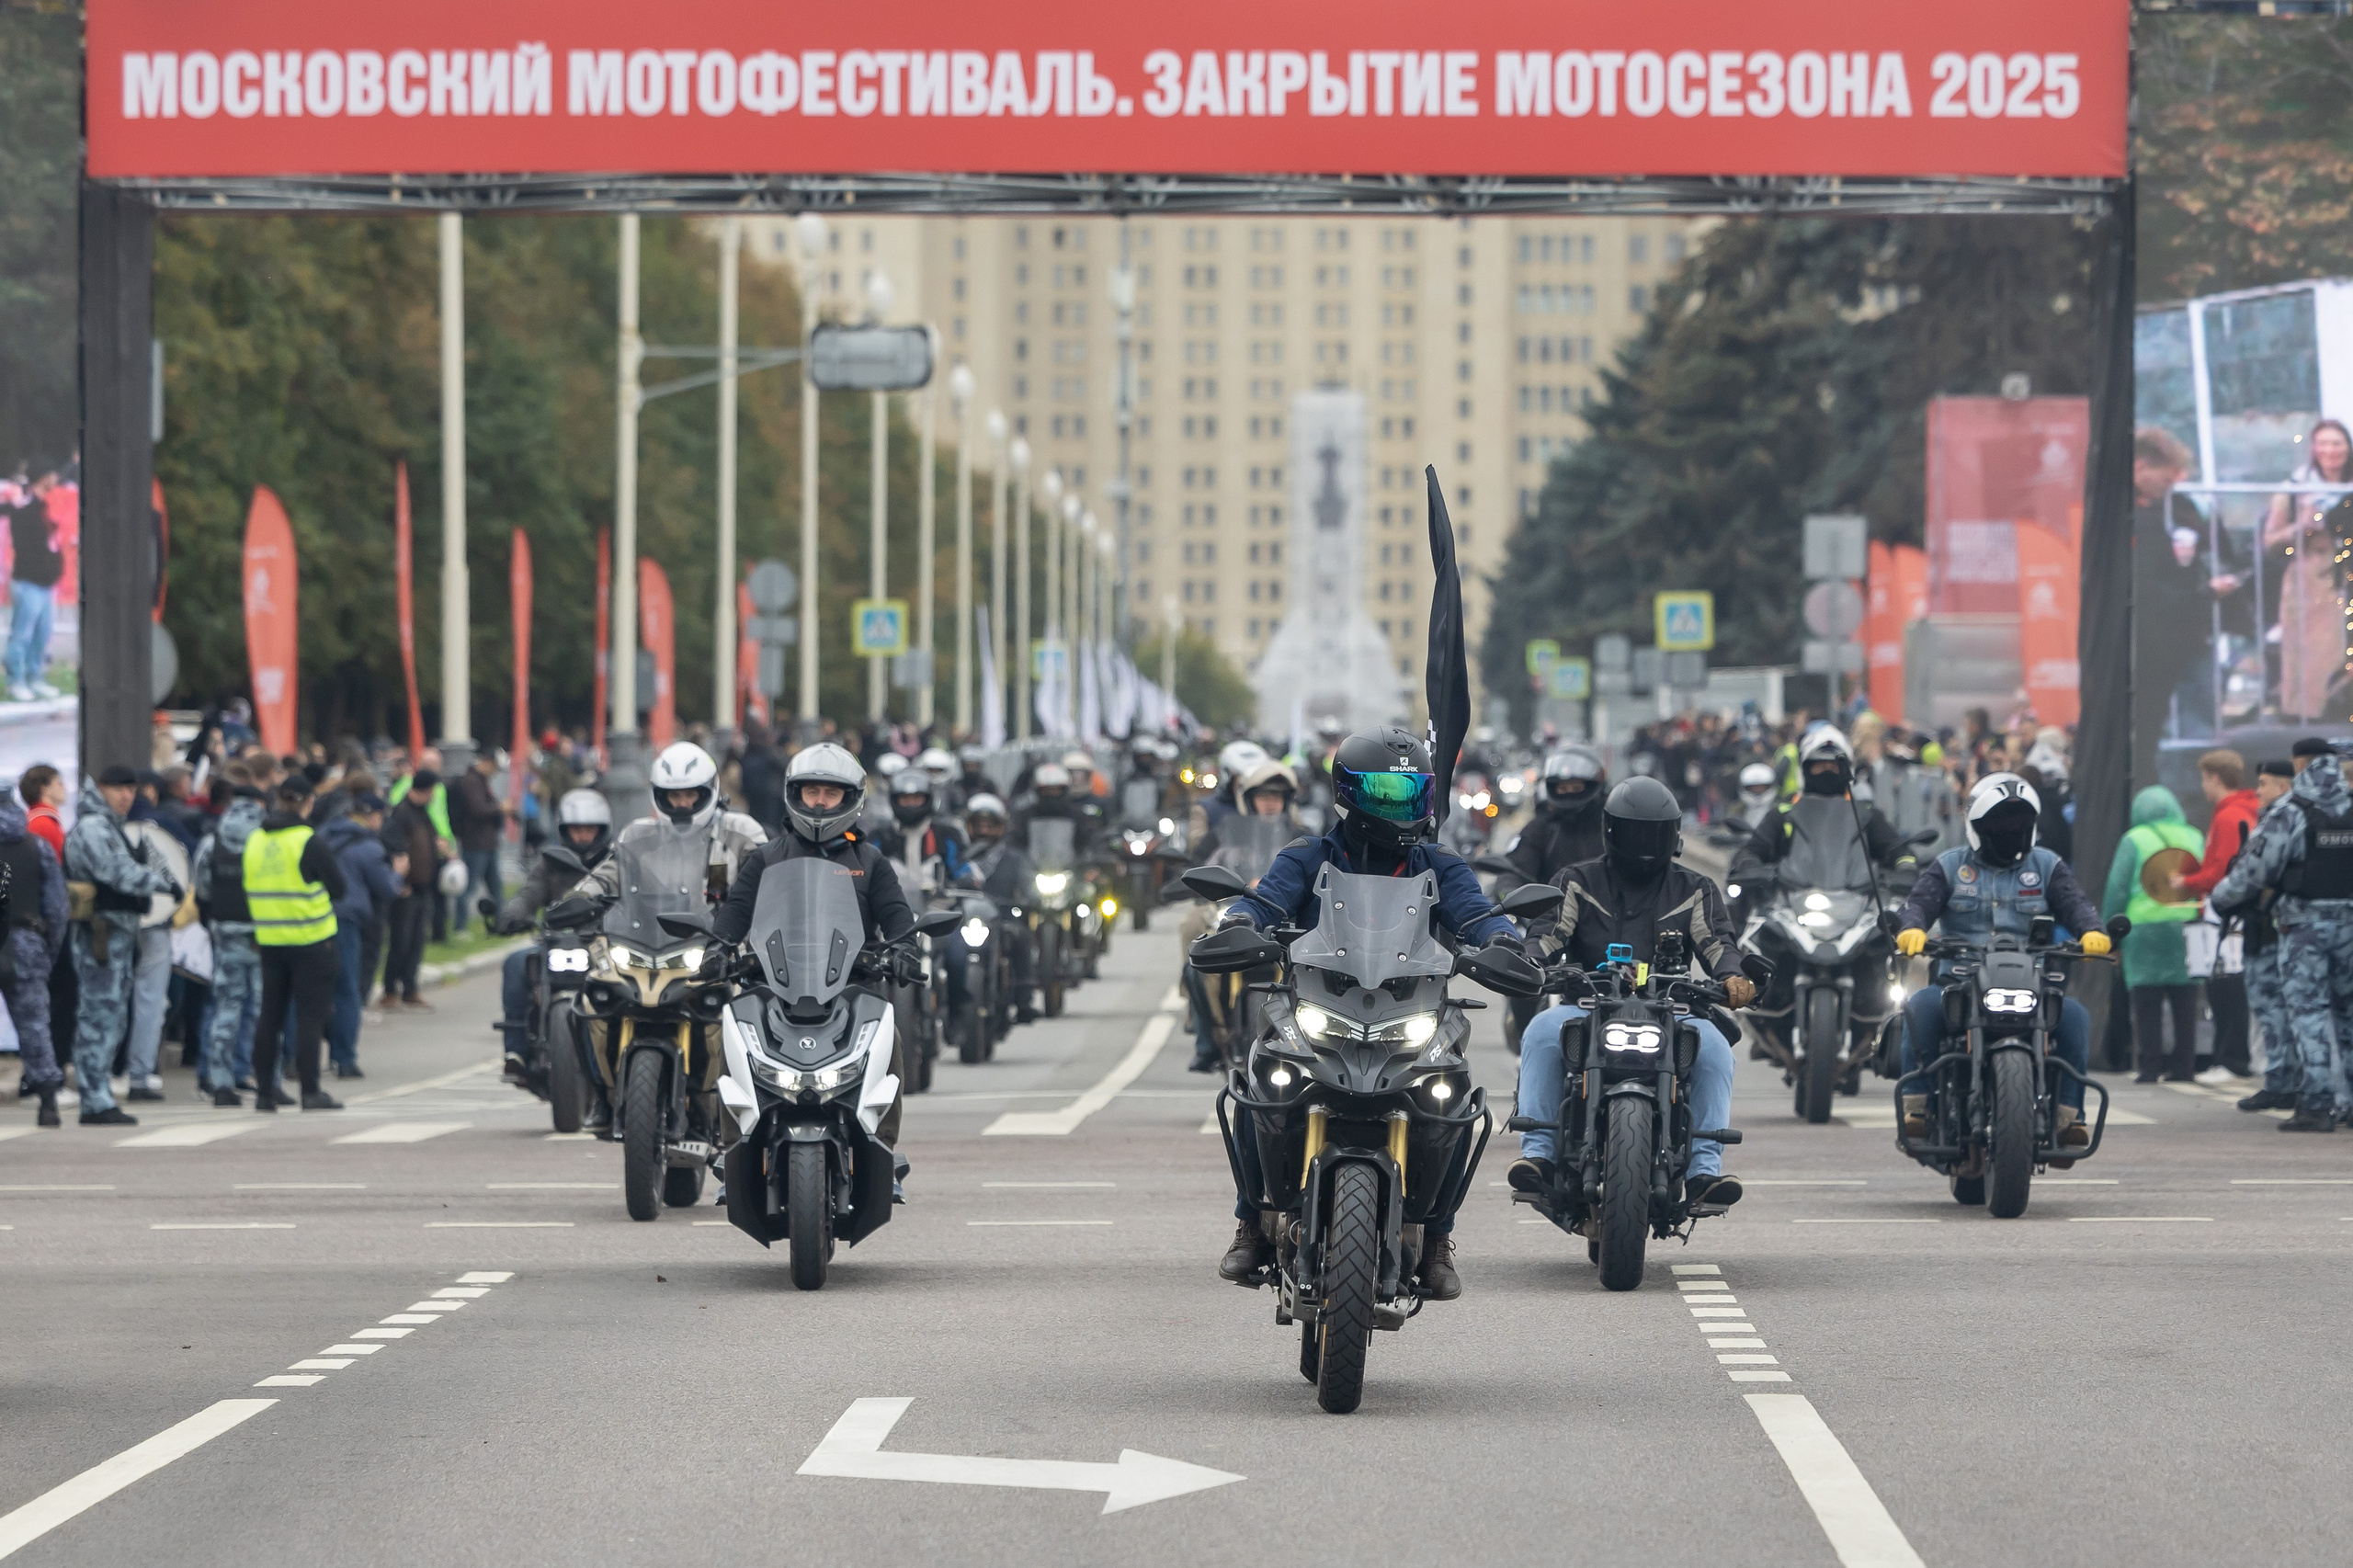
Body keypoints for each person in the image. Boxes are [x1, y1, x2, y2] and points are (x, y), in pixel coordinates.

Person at [1213, 727, 1522, 1301]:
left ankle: (1435, 1238)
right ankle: (1252, 1222)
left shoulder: (1440, 865)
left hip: (1414, 1010)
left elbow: (1476, 915)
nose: (1397, 803)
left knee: (1453, 1094)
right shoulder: (1307, 856)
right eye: (1383, 790)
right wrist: (1238, 923)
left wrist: (1504, 939)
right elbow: (1265, 901)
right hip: (1317, 1003)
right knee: (1261, 1080)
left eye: (1410, 791)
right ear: (1348, 792)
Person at [1507, 777, 1757, 1209]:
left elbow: (1719, 944)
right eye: (1634, 831)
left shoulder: (1696, 889)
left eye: (1656, 832)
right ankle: (1539, 1158)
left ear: (1674, 834)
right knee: (1541, 1033)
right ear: (1610, 830)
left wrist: (1733, 976)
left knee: (1716, 1048)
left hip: (1675, 1007)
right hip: (1587, 1004)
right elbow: (1548, 934)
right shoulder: (1576, 881)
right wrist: (1530, 961)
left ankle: (1703, 1171)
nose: (1645, 842)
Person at [703, 744, 915, 1186]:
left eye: (830, 793)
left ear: (850, 798)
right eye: (812, 791)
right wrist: (717, 950)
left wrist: (905, 950)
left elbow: (898, 919)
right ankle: (733, 1147)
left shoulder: (870, 862)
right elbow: (734, 915)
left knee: (888, 1032)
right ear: (794, 795)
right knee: (729, 1030)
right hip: (772, 985)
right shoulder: (764, 858)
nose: (820, 801)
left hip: (851, 986)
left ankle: (883, 1146)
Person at [1892, 774, 2108, 1157]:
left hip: (2030, 981)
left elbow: (2075, 903)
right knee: (1919, 1007)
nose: (2008, 831)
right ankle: (1917, 1108)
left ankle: (2068, 1118)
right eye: (1998, 824)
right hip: (1958, 982)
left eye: (2016, 824)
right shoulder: (1949, 865)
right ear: (1975, 825)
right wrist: (1912, 928)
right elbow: (1920, 903)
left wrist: (2092, 930)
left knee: (2074, 1018)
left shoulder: (2047, 865)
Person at [2209, 738, 2353, 1131]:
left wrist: (2220, 899)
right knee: (2348, 1014)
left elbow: (2255, 870)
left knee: (2308, 1013)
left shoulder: (2292, 811)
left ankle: (2316, 1104)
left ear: (2300, 764)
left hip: (2303, 927)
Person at [63, 766, 179, 1125]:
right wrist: (161, 883)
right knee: (99, 1017)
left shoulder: (107, 826)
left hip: (116, 934)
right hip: (102, 934)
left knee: (110, 1016)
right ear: (100, 789)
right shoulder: (95, 828)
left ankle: (98, 1096)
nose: (125, 795)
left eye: (130, 789)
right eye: (116, 788)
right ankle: (94, 1098)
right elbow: (114, 872)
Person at [243, 775, 348, 1112]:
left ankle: (263, 1093)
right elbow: (339, 887)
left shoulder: (255, 840)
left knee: (268, 1017)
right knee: (309, 1018)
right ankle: (310, 1092)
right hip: (311, 939)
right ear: (308, 803)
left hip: (270, 940)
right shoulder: (307, 841)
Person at [494, 789, 611, 1077]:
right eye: (576, 829)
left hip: (603, 946)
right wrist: (512, 915)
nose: (583, 835)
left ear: (602, 830)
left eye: (589, 829)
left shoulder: (615, 863)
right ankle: (516, 1051)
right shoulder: (550, 864)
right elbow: (528, 893)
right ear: (564, 831)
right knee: (516, 963)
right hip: (556, 943)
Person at [2102, 784, 2208, 1083]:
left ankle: (2150, 1066)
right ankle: (2184, 1066)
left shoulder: (2134, 839)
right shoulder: (2194, 835)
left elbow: (2118, 888)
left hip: (2143, 929)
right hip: (2186, 925)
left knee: (2145, 1001)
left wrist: (2111, 933)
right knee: (2185, 998)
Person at [2175, 750, 2261, 1081]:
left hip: (2224, 912)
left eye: (2203, 778)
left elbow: (2223, 871)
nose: (2203, 786)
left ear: (2214, 778)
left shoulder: (2228, 817)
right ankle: (2236, 1057)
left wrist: (2187, 882)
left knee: (2225, 984)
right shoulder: (2245, 811)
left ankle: (2230, 1059)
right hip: (2236, 911)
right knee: (2232, 983)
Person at [2260, 420, 2353, 721]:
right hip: (2314, 583)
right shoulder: (2294, 488)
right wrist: (2302, 527)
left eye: (2337, 443)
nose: (2331, 450)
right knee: (2317, 661)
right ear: (2313, 448)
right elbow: (2271, 543)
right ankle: (2312, 727)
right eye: (2323, 443)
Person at [2228, 760, 2300, 1112]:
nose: (2257, 791)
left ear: (2283, 787)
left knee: (2271, 1007)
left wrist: (2224, 896)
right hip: (2281, 925)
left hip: (2268, 925)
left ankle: (2281, 1081)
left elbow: (2252, 875)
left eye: (2264, 783)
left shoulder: (2279, 821)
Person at [194, 769, 267, 1106]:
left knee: (225, 1008)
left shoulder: (213, 841)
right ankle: (266, 1079)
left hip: (225, 934)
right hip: (264, 933)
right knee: (266, 1008)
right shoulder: (264, 840)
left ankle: (219, 1081)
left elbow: (203, 888)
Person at [320, 792, 402, 1080]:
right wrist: (398, 874)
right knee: (346, 990)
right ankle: (343, 1059)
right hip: (346, 922)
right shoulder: (369, 847)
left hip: (313, 917)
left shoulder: (322, 836)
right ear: (371, 816)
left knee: (306, 991)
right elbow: (386, 888)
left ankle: (294, 1058)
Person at [0, 792, 67, 1125]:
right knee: (34, 1026)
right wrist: (49, 950)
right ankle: (47, 1100)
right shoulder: (35, 846)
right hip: (25, 942)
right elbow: (56, 907)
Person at [1490, 746, 1608, 898]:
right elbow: (1514, 869)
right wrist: (1510, 895)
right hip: (1553, 917)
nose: (1569, 793)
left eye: (1576, 787)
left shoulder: (1612, 826)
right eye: (1563, 788)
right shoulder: (1542, 828)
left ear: (1594, 785)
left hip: (1612, 916)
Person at [962, 793, 1038, 1024]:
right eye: (979, 824)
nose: (984, 830)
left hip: (1004, 916)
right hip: (965, 920)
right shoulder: (959, 856)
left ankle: (1024, 1001)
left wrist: (1030, 898)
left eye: (990, 825)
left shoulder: (1014, 857)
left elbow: (1029, 885)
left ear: (1001, 827)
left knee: (1019, 937)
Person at [379, 769, 440, 1011]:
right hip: (406, 888)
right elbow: (392, 848)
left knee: (416, 941)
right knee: (400, 941)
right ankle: (389, 990)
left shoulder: (422, 814)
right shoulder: (401, 814)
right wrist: (398, 881)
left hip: (424, 886)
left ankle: (410, 988)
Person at [6, 473, 63, 701]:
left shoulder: (43, 508)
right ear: (42, 476)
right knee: (22, 635)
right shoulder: (23, 509)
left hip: (45, 584)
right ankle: (15, 681)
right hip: (28, 581)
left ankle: (35, 677)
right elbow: (19, 529)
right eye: (51, 475)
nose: (56, 480)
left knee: (42, 632)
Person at [449, 751, 507, 935]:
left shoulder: (479, 781)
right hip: (475, 842)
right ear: (488, 763)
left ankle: (501, 924)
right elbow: (478, 809)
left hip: (486, 842)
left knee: (496, 887)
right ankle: (460, 926)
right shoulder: (471, 782)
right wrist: (500, 808)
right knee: (469, 887)